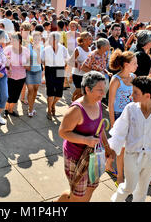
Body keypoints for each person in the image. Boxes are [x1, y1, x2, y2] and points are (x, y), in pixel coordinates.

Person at [57, 71, 115, 202]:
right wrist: (85, 140)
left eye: (104, 89)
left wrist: (107, 147)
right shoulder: (76, 110)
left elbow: (100, 129)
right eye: (100, 90)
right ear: (88, 89)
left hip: (94, 156)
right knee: (77, 195)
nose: (103, 94)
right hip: (76, 157)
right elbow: (63, 132)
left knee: (91, 187)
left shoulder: (98, 103)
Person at [105, 49, 137, 186]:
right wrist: (113, 123)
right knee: (122, 147)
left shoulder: (134, 77)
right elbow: (110, 103)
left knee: (122, 145)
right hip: (118, 116)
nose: (137, 65)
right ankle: (120, 177)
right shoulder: (116, 79)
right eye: (134, 63)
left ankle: (108, 163)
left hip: (131, 115)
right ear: (126, 64)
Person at [42, 32, 70, 120]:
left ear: (56, 40)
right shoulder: (46, 49)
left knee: (59, 94)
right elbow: (42, 60)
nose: (49, 40)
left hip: (60, 69)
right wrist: (45, 68)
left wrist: (66, 74)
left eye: (51, 38)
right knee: (50, 91)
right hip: (49, 70)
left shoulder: (63, 49)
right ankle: (49, 110)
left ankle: (53, 105)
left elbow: (67, 61)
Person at [4, 32, 30, 118]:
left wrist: (27, 65)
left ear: (19, 40)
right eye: (11, 39)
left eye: (13, 39)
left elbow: (29, 64)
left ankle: (11, 110)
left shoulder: (25, 50)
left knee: (16, 95)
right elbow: (2, 60)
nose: (11, 41)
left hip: (21, 76)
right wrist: (7, 65)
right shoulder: (8, 49)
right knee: (9, 95)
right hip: (10, 75)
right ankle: (6, 110)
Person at [26, 31, 43, 117]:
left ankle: (32, 106)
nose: (36, 40)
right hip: (29, 71)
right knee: (30, 90)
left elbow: (41, 62)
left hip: (38, 71)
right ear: (32, 39)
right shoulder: (28, 47)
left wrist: (39, 51)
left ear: (40, 39)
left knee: (35, 90)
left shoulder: (42, 47)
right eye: (35, 39)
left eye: (38, 39)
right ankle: (30, 109)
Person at [71, 32, 92, 102]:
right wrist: (78, 64)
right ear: (84, 39)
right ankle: (72, 103)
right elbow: (70, 61)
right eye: (89, 39)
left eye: (91, 39)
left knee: (82, 93)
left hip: (86, 74)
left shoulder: (90, 49)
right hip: (77, 74)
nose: (91, 41)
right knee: (79, 90)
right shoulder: (78, 49)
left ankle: (76, 105)